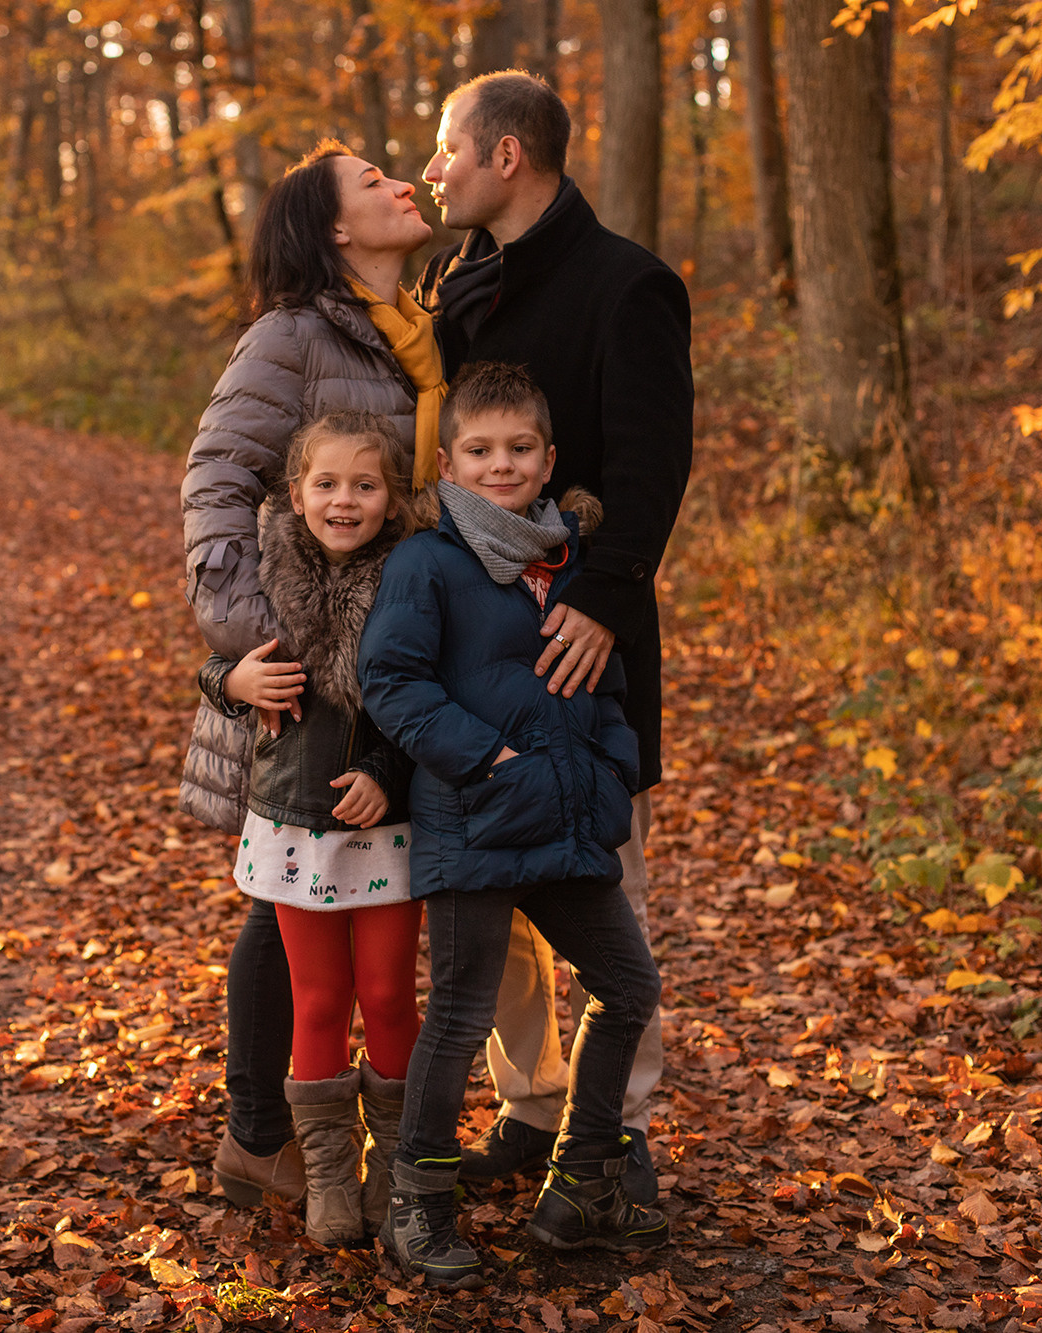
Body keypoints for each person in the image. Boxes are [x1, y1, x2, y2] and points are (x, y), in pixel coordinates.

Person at [414, 70, 694, 1198]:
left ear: (507, 154)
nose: (432, 169)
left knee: (599, 881)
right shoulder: (455, 285)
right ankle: (532, 1106)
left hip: (584, 638)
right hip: (468, 644)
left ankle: (612, 1132)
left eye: (447, 147)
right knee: (494, 888)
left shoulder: (626, 285)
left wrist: (604, 598)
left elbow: (652, 464)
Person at [177, 141, 444, 1209]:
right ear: (334, 228)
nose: (400, 184)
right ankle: (258, 1134)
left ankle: (364, 1154)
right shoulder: (290, 335)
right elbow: (216, 479)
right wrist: (268, 642)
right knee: (284, 900)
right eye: (373, 181)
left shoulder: (413, 329)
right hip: (305, 673)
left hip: (401, 666)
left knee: (337, 913)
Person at [360, 362, 667, 1289]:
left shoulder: (570, 560)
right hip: (477, 823)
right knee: (459, 1015)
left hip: (567, 820)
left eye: (520, 448)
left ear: (549, 458)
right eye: (482, 450)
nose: (502, 465)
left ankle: (582, 1184)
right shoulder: (427, 562)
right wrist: (488, 759)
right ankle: (417, 1202)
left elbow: (606, 681)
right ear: (448, 464)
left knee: (627, 985)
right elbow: (392, 682)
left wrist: (609, 769)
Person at [197, 412, 424, 1245]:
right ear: (296, 495)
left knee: (389, 993)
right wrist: (231, 682)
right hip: (293, 824)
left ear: (391, 498)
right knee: (320, 997)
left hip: (386, 824)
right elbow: (215, 663)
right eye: (326, 484)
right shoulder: (266, 572)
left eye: (365, 485)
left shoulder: (412, 576)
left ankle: (396, 1168)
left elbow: (428, 693)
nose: (344, 500)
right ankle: (330, 1175)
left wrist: (386, 773)